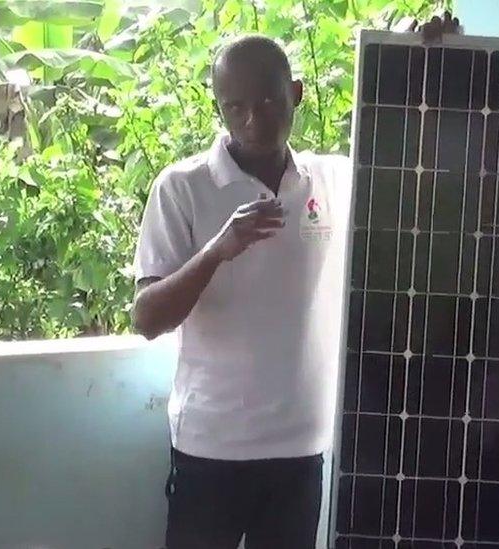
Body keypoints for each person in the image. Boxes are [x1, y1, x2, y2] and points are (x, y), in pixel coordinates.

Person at [130, 34, 350, 548]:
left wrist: (431, 56)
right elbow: (146, 319)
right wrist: (215, 251)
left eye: (269, 101)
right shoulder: (181, 187)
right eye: (236, 107)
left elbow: (414, 164)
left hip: (301, 447)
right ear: (219, 107)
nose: (254, 120)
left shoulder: (330, 180)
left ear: (296, 93)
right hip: (212, 447)